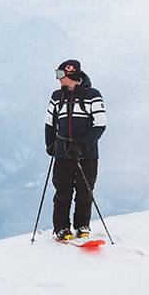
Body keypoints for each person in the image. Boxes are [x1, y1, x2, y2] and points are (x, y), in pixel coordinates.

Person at [44, 59, 106, 241]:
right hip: (62, 153)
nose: (58, 80)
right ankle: (62, 228)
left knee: (85, 192)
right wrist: (50, 145)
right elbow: (49, 123)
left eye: (60, 75)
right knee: (62, 191)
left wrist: (81, 146)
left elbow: (100, 125)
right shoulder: (57, 96)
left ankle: (82, 226)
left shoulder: (93, 95)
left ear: (71, 74)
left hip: (87, 155)